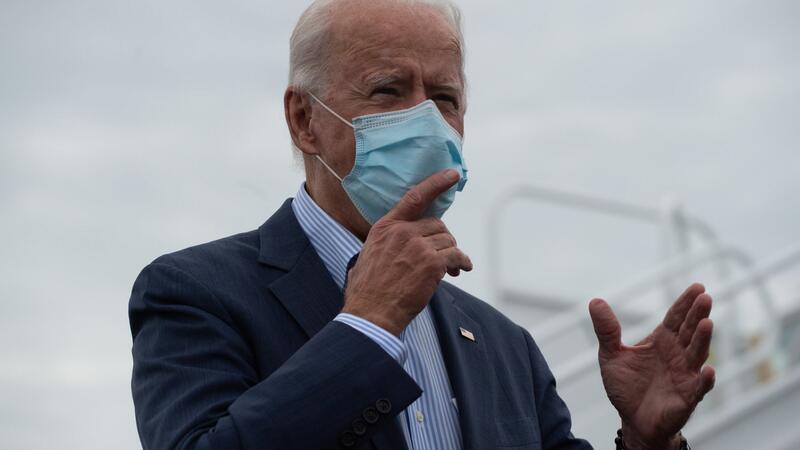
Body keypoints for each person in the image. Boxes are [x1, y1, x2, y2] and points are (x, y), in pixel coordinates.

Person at [128, 1, 716, 449]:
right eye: (388, 91)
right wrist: (367, 326)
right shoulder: (196, 293)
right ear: (305, 120)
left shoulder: (505, 345)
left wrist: (646, 442)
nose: (427, 123)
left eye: (445, 98)